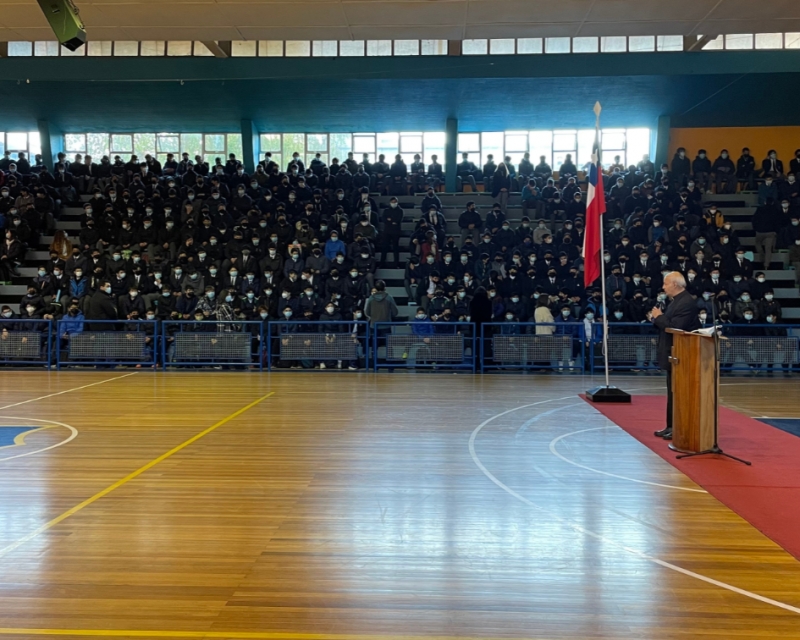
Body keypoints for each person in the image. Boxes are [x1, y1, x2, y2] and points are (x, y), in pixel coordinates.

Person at [649, 272, 701, 440]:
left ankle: (678, 426)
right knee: (672, 392)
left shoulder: (686, 303)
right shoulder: (675, 302)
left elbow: (676, 328)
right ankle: (671, 425)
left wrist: (659, 317)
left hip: (681, 354)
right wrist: (657, 319)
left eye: (666, 284)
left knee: (677, 392)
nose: (663, 287)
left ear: (675, 285)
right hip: (672, 353)